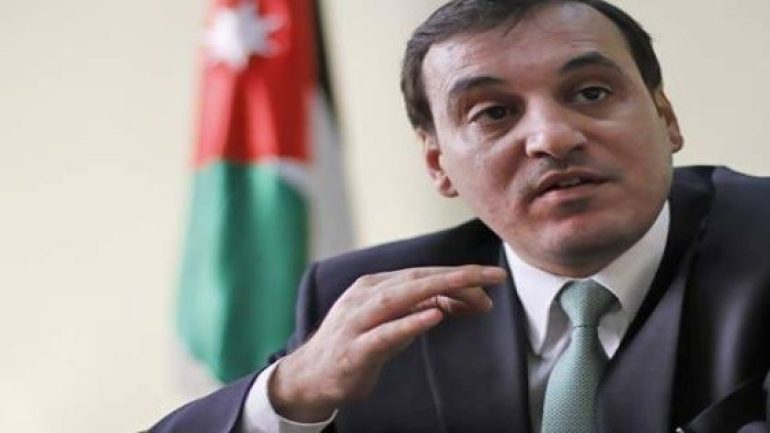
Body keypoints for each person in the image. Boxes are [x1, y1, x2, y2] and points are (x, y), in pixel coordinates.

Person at [151, 0, 770, 432]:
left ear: (666, 118)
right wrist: (293, 391)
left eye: (590, 93)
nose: (552, 138)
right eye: (494, 113)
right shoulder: (365, 304)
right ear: (438, 164)